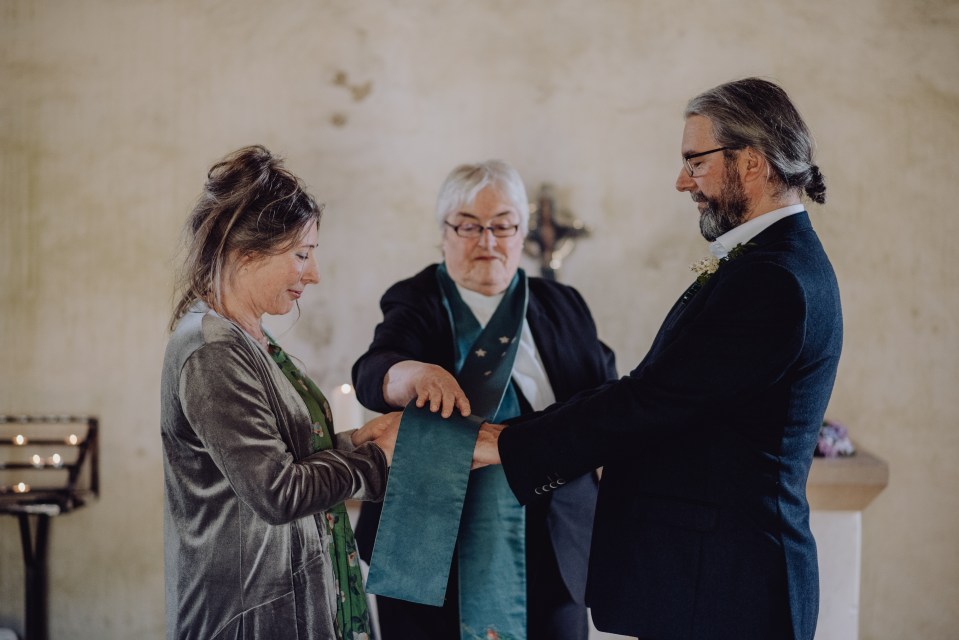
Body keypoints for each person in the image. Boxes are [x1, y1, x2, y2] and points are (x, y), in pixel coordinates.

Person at [474, 78, 842, 640]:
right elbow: (653, 390)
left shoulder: (773, 279)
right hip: (714, 581)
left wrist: (502, 444)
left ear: (752, 162)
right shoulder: (770, 262)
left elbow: (651, 401)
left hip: (730, 588)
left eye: (695, 162)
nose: (682, 181)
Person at [351, 160, 617, 640]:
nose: (487, 241)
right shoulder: (417, 299)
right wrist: (413, 374)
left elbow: (607, 405)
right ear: (444, 233)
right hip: (433, 550)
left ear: (521, 232)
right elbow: (375, 369)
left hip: (554, 546)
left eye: (502, 225)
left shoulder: (564, 306)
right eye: (469, 225)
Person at [161, 145, 400, 640]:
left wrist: (357, 443)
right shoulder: (212, 351)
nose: (313, 273)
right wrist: (375, 462)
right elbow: (277, 491)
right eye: (301, 254)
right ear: (247, 252)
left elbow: (284, 456)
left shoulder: (248, 337)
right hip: (251, 615)